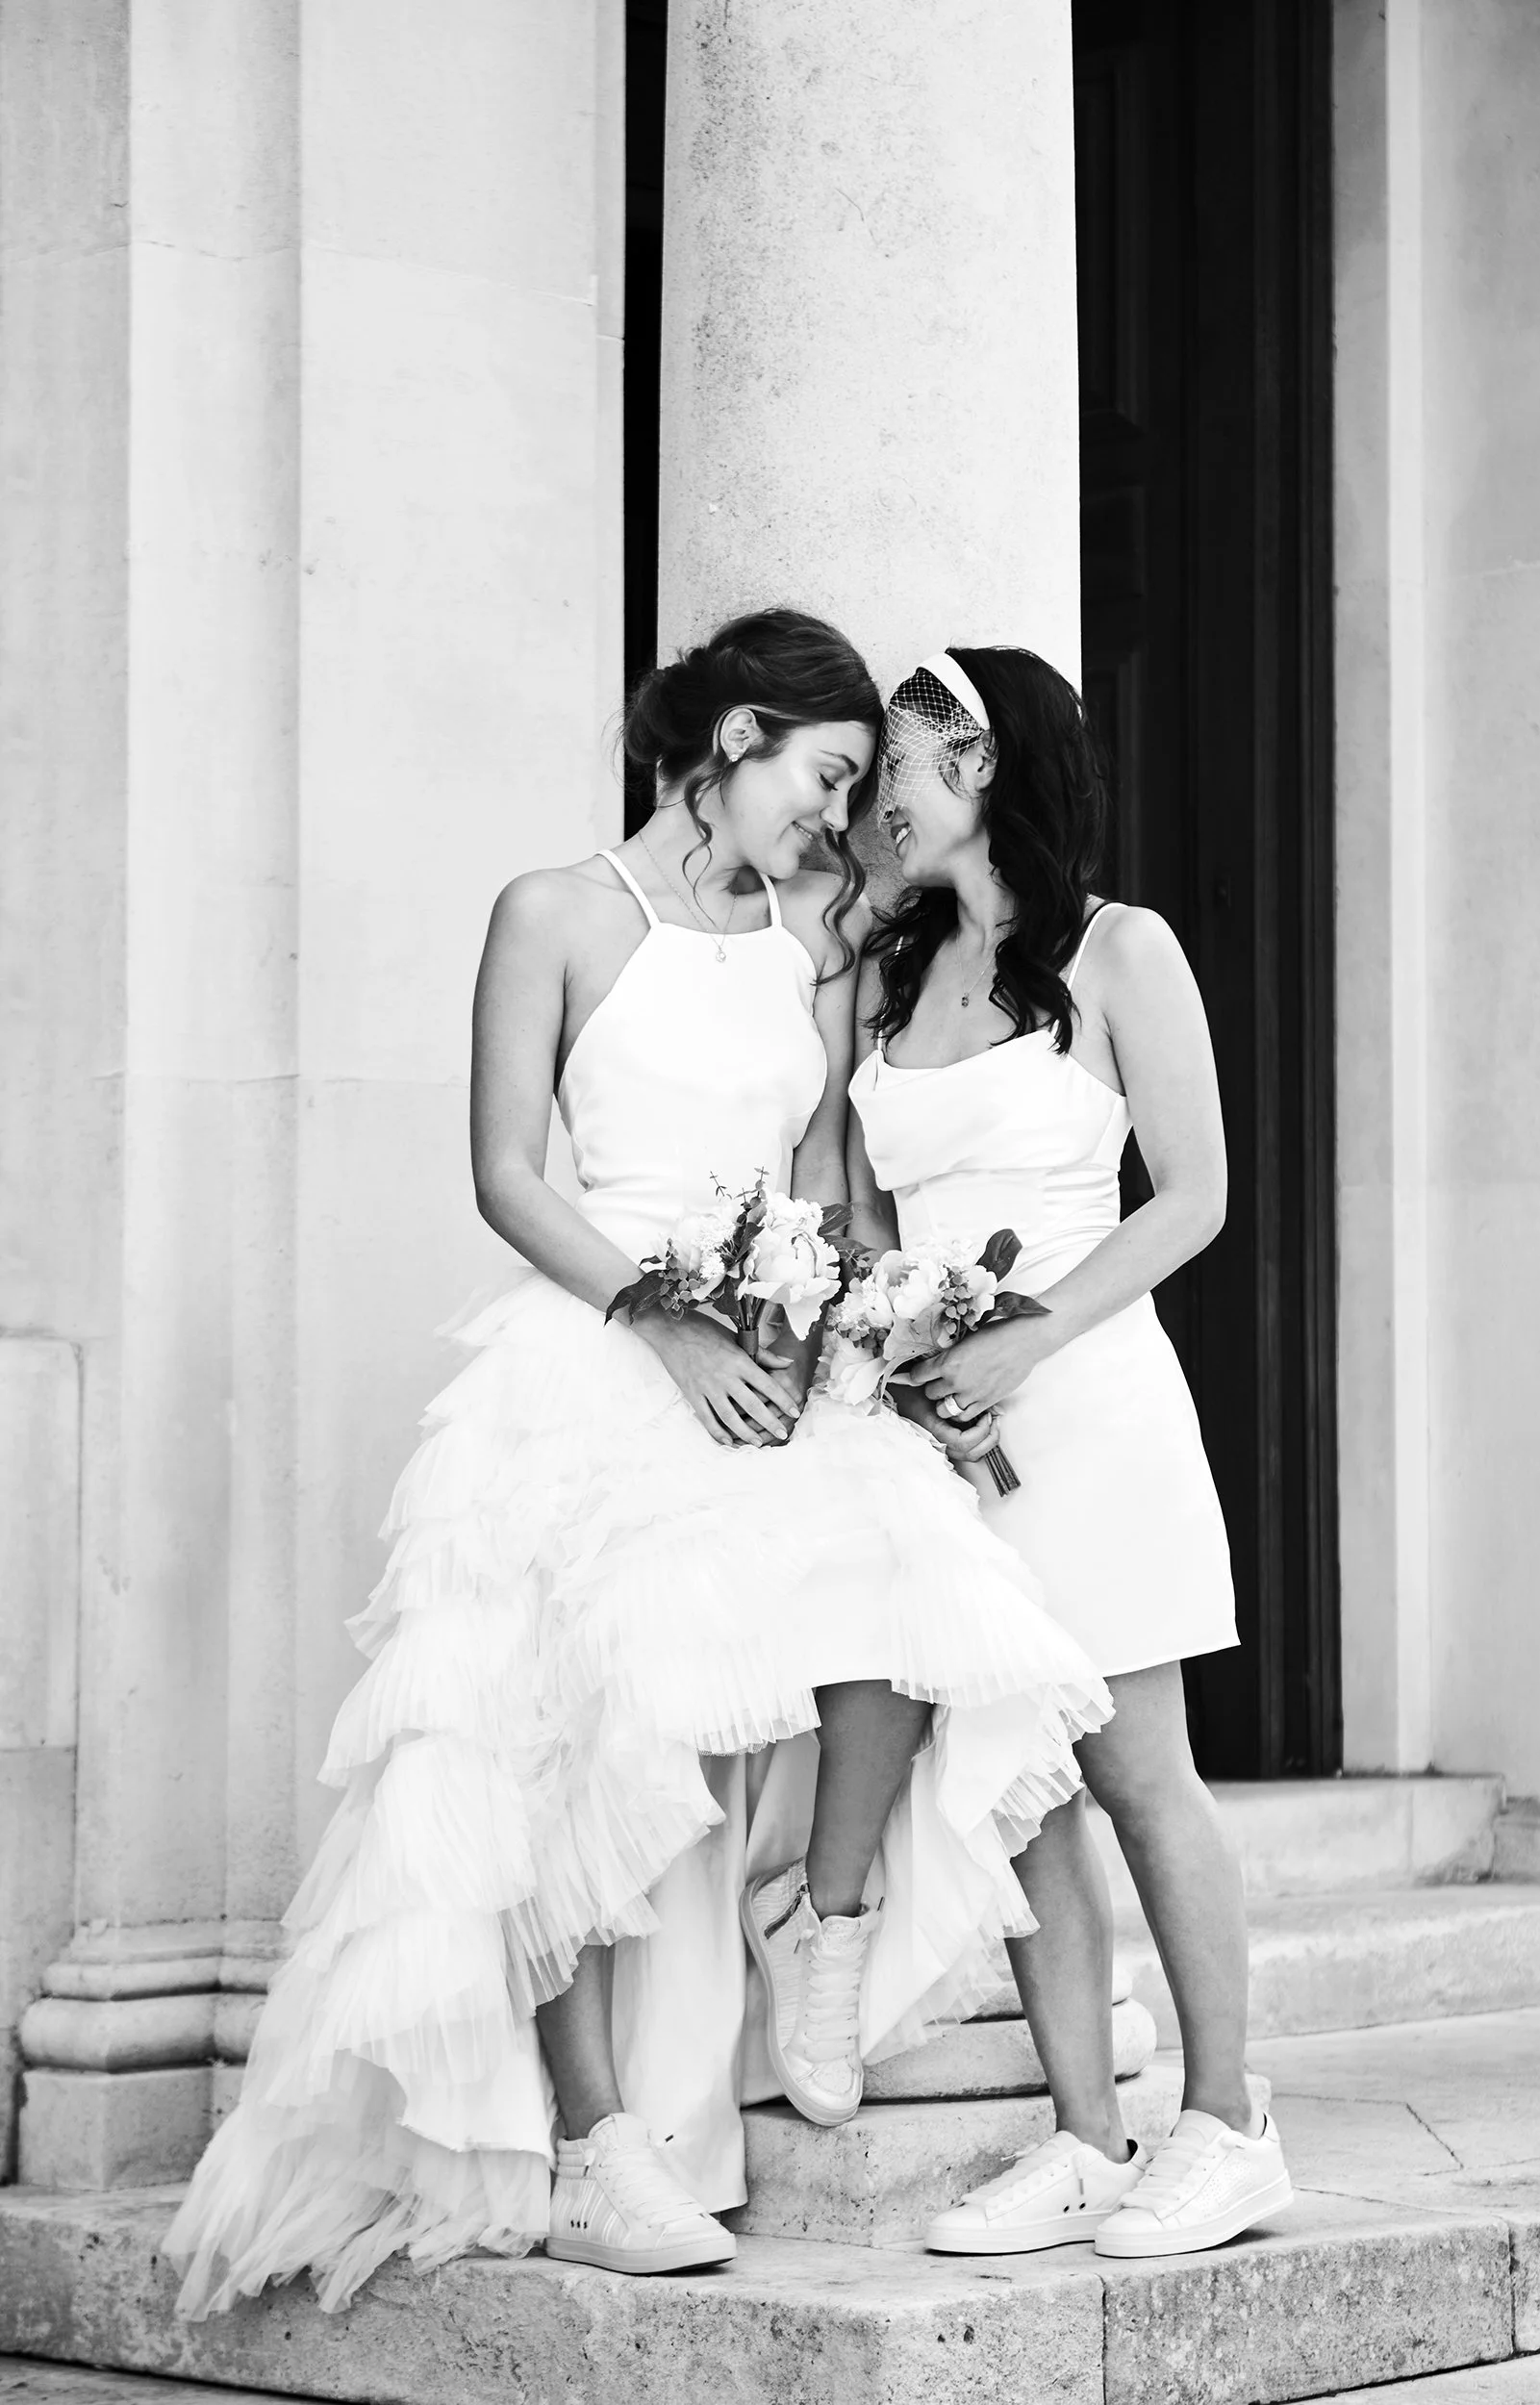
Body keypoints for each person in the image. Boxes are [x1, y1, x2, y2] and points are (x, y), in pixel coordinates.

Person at [165, 612, 1109, 2316]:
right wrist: (664, 1322)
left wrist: (850, 1331)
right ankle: (595, 2140)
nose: (839, 818)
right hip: (602, 1335)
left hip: (769, 1338)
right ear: (733, 741)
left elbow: (823, 1159)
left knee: (920, 1571)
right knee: (573, 1708)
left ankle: (824, 1935)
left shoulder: (815, 935)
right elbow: (506, 1175)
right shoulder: (554, 915)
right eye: (824, 778)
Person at [847, 646, 1293, 2259]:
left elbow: (1197, 1194)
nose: (878, 787)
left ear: (981, 764)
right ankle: (1084, 2137)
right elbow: (879, 1223)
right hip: (951, 1441)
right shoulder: (893, 972)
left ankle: (1230, 2121)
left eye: (901, 756)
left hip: (1093, 1407)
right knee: (1025, 1788)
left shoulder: (1122, 952)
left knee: (1135, 1770)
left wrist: (1025, 1336)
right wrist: (908, 1373)